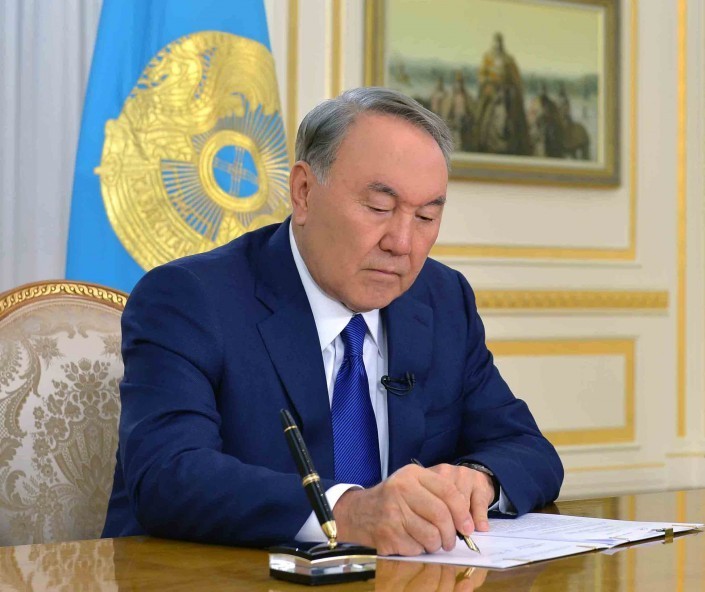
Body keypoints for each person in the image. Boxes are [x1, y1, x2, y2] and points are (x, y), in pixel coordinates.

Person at [102, 87, 563, 556]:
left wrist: (478, 480)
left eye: (426, 216)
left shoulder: (442, 299)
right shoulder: (190, 299)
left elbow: (528, 450)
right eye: (379, 208)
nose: (402, 243)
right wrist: (347, 512)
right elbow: (167, 474)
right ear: (303, 192)